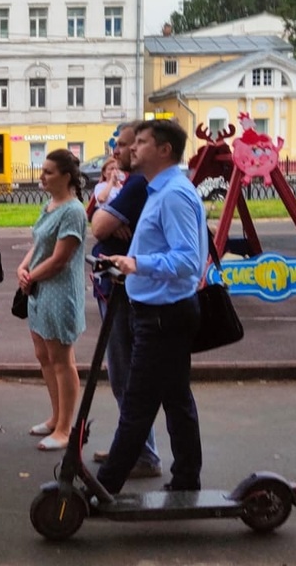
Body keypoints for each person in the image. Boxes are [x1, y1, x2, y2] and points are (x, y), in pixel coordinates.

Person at [96, 119, 208, 498]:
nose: (131, 149)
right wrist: (123, 265)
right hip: (159, 311)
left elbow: (188, 260)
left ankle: (104, 487)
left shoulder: (174, 194)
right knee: (176, 400)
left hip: (163, 316)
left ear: (163, 150)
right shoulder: (159, 190)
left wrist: (136, 265)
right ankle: (187, 479)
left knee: (137, 404)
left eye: (141, 142)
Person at [89, 122, 162, 477]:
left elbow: (99, 227)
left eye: (127, 145)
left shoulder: (135, 185)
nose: (118, 152)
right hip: (117, 288)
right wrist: (104, 215)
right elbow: (95, 216)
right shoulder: (128, 184)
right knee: (125, 373)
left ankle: (142, 453)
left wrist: (107, 217)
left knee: (125, 373)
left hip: (123, 291)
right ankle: (132, 447)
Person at [17, 149, 88, 451]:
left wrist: (30, 276)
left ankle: (65, 429)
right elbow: (40, 244)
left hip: (59, 292)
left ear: (66, 176)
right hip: (39, 290)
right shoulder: (50, 205)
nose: (42, 176)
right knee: (44, 355)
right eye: (42, 170)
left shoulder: (73, 210)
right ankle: (55, 417)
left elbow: (60, 259)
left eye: (48, 171)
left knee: (62, 361)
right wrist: (23, 267)